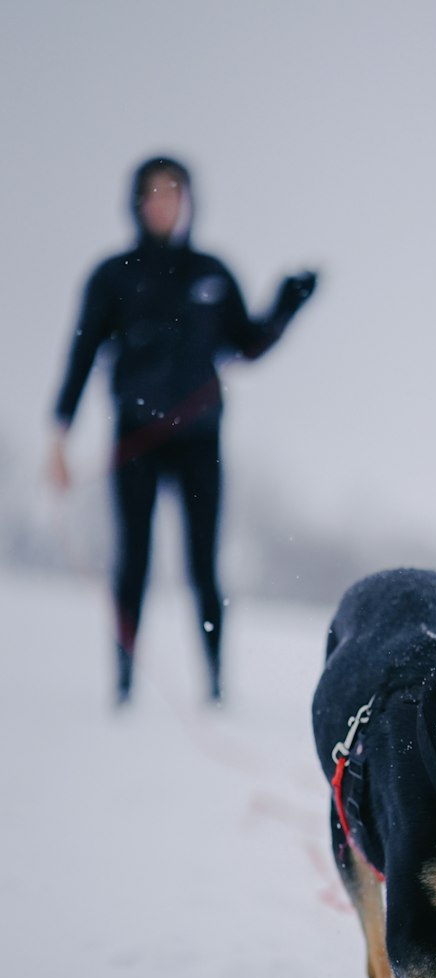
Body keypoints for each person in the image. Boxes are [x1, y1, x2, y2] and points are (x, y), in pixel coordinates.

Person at [49, 154, 318, 703]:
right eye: (154, 193)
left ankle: (215, 683)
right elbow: (80, 356)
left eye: (174, 192)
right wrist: (59, 435)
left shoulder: (212, 273)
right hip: (135, 439)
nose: (164, 203)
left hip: (200, 441)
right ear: (137, 203)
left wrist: (286, 306)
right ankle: (123, 683)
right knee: (134, 560)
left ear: (188, 202)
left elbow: (247, 343)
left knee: (203, 565)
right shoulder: (113, 277)